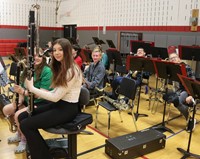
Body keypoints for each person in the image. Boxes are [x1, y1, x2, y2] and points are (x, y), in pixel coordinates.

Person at [18, 38, 82, 159]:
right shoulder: (61, 66)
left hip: (67, 109)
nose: (56, 53)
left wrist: (32, 88)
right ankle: (44, 152)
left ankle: (42, 156)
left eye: (60, 50)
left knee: (26, 125)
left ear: (67, 51)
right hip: (59, 105)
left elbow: (55, 97)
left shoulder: (72, 70)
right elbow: (55, 92)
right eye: (54, 50)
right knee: (22, 117)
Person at [3, 49, 53, 153]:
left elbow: (41, 94)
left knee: (17, 115)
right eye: (33, 56)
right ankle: (19, 133)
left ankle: (24, 140)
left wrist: (23, 92)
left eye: (39, 55)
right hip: (27, 100)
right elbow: (21, 87)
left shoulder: (47, 71)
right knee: (7, 109)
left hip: (41, 102)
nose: (36, 58)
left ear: (43, 57)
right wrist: (20, 100)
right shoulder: (27, 69)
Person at [163, 52, 196, 132]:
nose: (173, 59)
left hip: (186, 90)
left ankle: (190, 119)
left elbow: (193, 83)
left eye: (175, 57)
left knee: (176, 100)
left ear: (179, 59)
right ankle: (187, 114)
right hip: (177, 90)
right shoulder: (171, 69)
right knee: (166, 96)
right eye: (171, 58)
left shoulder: (186, 67)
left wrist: (191, 95)